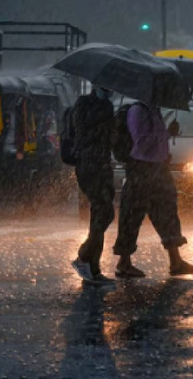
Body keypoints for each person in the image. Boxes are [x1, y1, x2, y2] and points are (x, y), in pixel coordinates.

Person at [113, 102, 193, 278]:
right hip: (142, 170)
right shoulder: (137, 111)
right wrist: (166, 133)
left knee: (167, 212)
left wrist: (168, 134)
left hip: (159, 168)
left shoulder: (155, 111)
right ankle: (124, 262)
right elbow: (141, 143)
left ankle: (175, 261)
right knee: (132, 215)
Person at [70, 87, 117, 285]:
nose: (107, 91)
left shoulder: (108, 106)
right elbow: (82, 134)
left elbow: (110, 140)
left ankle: (91, 264)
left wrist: (114, 128)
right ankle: (86, 259)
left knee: (104, 214)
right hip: (89, 165)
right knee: (102, 212)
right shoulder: (83, 103)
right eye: (104, 87)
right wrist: (104, 124)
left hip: (104, 164)